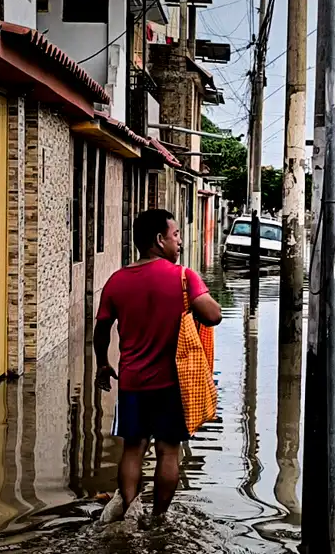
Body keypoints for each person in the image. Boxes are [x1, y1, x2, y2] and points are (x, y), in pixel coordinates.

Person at [94, 209, 223, 522]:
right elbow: (214, 315)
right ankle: (158, 519)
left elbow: (100, 330)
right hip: (171, 383)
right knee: (168, 450)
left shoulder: (116, 281)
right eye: (175, 234)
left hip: (132, 383)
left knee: (132, 449)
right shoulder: (183, 277)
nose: (179, 241)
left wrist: (103, 365)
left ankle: (129, 514)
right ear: (158, 239)